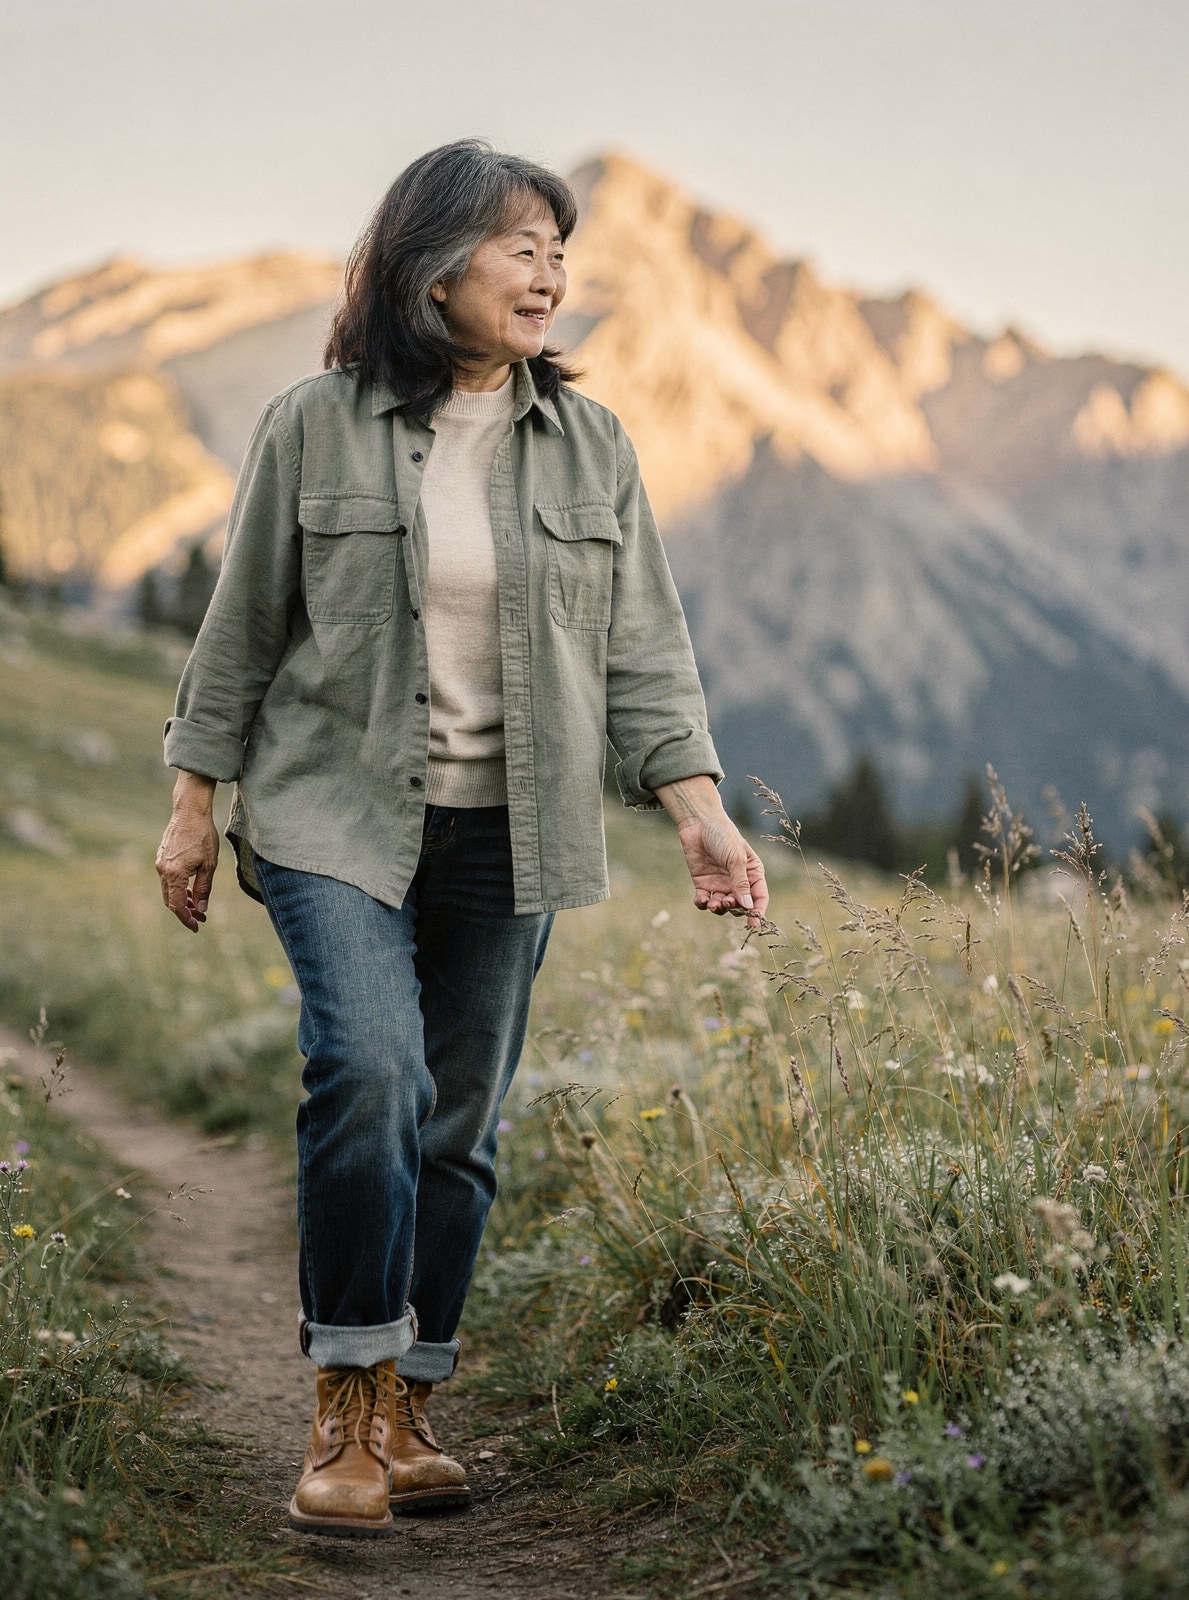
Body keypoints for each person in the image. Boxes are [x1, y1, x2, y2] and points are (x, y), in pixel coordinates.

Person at [154, 140, 769, 1539]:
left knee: (460, 1126)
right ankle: (345, 1392)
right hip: (335, 816)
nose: (551, 268)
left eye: (560, 245)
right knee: (367, 1070)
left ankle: (415, 1400)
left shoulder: (592, 446)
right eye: (520, 244)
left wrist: (704, 815)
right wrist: (193, 806)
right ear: (434, 268)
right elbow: (241, 628)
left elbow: (645, 656)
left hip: (513, 829)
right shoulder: (314, 423)